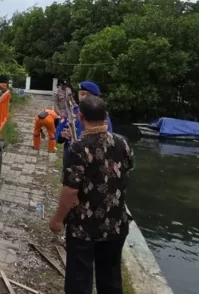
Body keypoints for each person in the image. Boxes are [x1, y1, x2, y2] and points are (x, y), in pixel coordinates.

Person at [48, 95, 134, 294]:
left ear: (80, 116)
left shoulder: (79, 148)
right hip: (115, 224)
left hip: (84, 227)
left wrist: (57, 220)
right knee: (111, 280)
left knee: (79, 280)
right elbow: (124, 174)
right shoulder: (124, 143)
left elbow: (70, 191)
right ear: (105, 117)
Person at [54, 81, 113, 147]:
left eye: (87, 94)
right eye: (82, 94)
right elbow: (57, 133)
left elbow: (109, 136)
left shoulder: (102, 114)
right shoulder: (70, 112)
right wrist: (62, 135)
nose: (84, 97)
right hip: (71, 154)